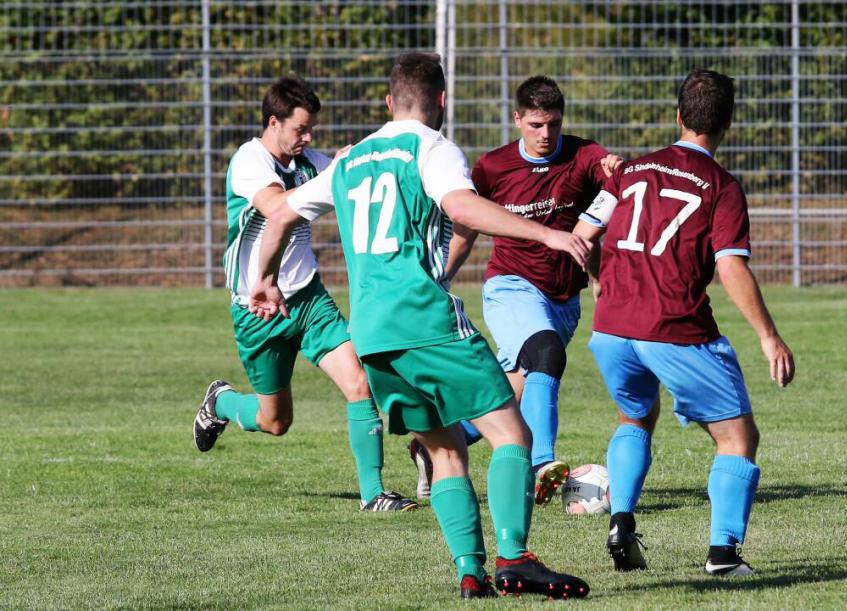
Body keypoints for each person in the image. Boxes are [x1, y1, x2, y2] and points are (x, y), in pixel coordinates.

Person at [248, 53, 591, 600]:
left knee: (447, 449)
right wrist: (546, 235)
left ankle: (471, 572)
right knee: (513, 434)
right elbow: (462, 206)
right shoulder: (431, 148)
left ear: (388, 103)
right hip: (425, 319)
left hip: (374, 336)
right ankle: (516, 557)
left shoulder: (352, 157)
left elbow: (282, 212)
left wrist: (264, 279)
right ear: (442, 102)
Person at [573, 69, 796, 575]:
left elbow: (583, 233)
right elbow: (731, 265)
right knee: (738, 439)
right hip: (672, 328)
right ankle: (723, 555)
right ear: (728, 123)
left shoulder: (627, 172)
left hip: (610, 329)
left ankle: (623, 518)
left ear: (677, 116)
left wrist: (597, 280)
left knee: (636, 418)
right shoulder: (721, 187)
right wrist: (769, 336)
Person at [192, 76, 418, 513]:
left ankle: (374, 494)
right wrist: (335, 171)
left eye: (311, 129)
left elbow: (349, 176)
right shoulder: (249, 161)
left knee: (359, 383)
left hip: (310, 301)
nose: (308, 137)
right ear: (273, 122)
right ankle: (220, 402)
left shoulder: (309, 162)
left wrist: (363, 162)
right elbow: (279, 208)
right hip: (258, 311)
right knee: (275, 422)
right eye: (301, 129)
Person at [415, 76, 622, 506]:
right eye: (535, 125)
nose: (546, 134)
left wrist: (601, 278)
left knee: (515, 391)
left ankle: (435, 444)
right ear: (517, 119)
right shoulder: (492, 168)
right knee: (546, 353)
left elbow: (610, 182)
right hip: (510, 286)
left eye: (553, 124)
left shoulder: (584, 155)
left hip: (563, 297)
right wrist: (441, 279)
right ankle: (541, 464)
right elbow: (467, 228)